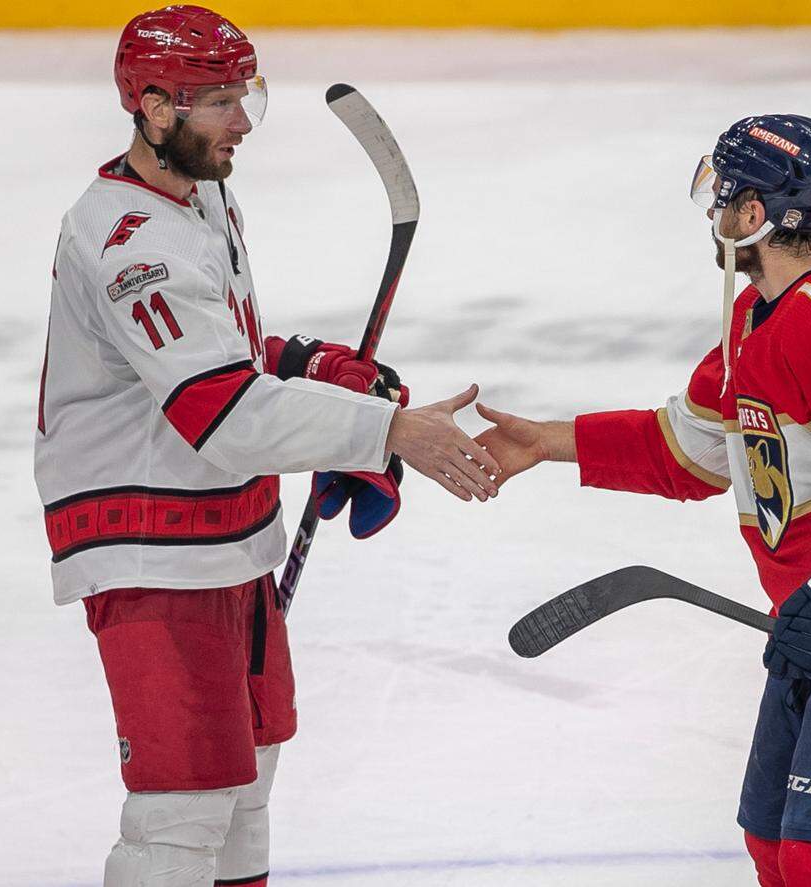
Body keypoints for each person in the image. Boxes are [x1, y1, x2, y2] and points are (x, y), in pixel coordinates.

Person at [34, 6, 499, 886]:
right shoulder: (132, 242)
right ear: (155, 107)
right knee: (181, 817)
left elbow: (221, 352)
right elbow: (227, 416)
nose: (243, 121)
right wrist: (389, 430)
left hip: (225, 533)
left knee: (247, 787)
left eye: (247, 95)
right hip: (152, 548)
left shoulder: (201, 192)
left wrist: (313, 366)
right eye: (219, 101)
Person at [475, 115, 811, 885]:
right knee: (774, 851)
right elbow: (685, 451)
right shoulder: (755, 320)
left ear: (752, 212)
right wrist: (547, 441)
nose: (711, 209)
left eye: (718, 192)